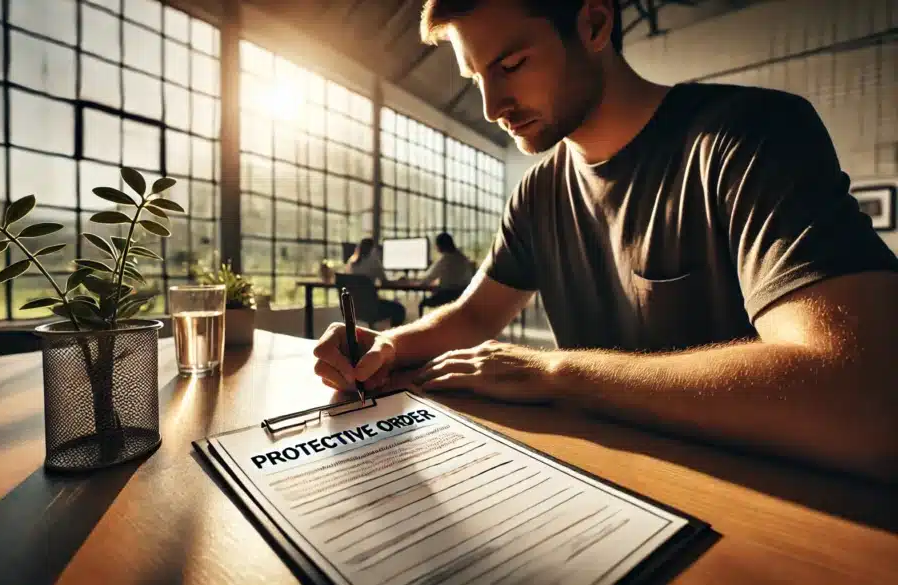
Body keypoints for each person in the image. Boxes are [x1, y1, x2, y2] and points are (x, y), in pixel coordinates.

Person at [314, 0, 898, 482]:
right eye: (477, 79)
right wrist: (387, 343)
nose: (492, 107)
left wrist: (555, 374)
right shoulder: (539, 191)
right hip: (614, 487)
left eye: (512, 64)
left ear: (594, 24)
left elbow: (862, 399)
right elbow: (470, 318)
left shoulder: (747, 138)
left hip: (774, 500)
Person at [345, 237, 406, 327]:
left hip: (353, 307)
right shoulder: (373, 261)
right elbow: (385, 282)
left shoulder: (351, 262)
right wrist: (398, 280)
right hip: (371, 307)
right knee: (399, 309)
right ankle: (395, 338)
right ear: (372, 249)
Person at [418, 233, 476, 316]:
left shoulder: (446, 259)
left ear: (441, 246)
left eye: (436, 245)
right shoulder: (463, 258)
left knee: (422, 304)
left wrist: (413, 280)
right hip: (463, 296)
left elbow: (428, 278)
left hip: (447, 296)